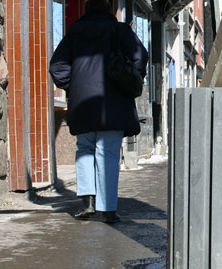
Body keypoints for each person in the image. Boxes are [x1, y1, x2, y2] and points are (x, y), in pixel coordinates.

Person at [49, 0, 148, 223]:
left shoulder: (74, 33)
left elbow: (57, 66)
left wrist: (73, 85)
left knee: (85, 149)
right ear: (110, 10)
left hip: (83, 104)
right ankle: (109, 210)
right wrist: (129, 75)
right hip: (113, 103)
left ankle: (87, 203)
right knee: (109, 153)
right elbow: (140, 57)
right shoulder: (120, 30)